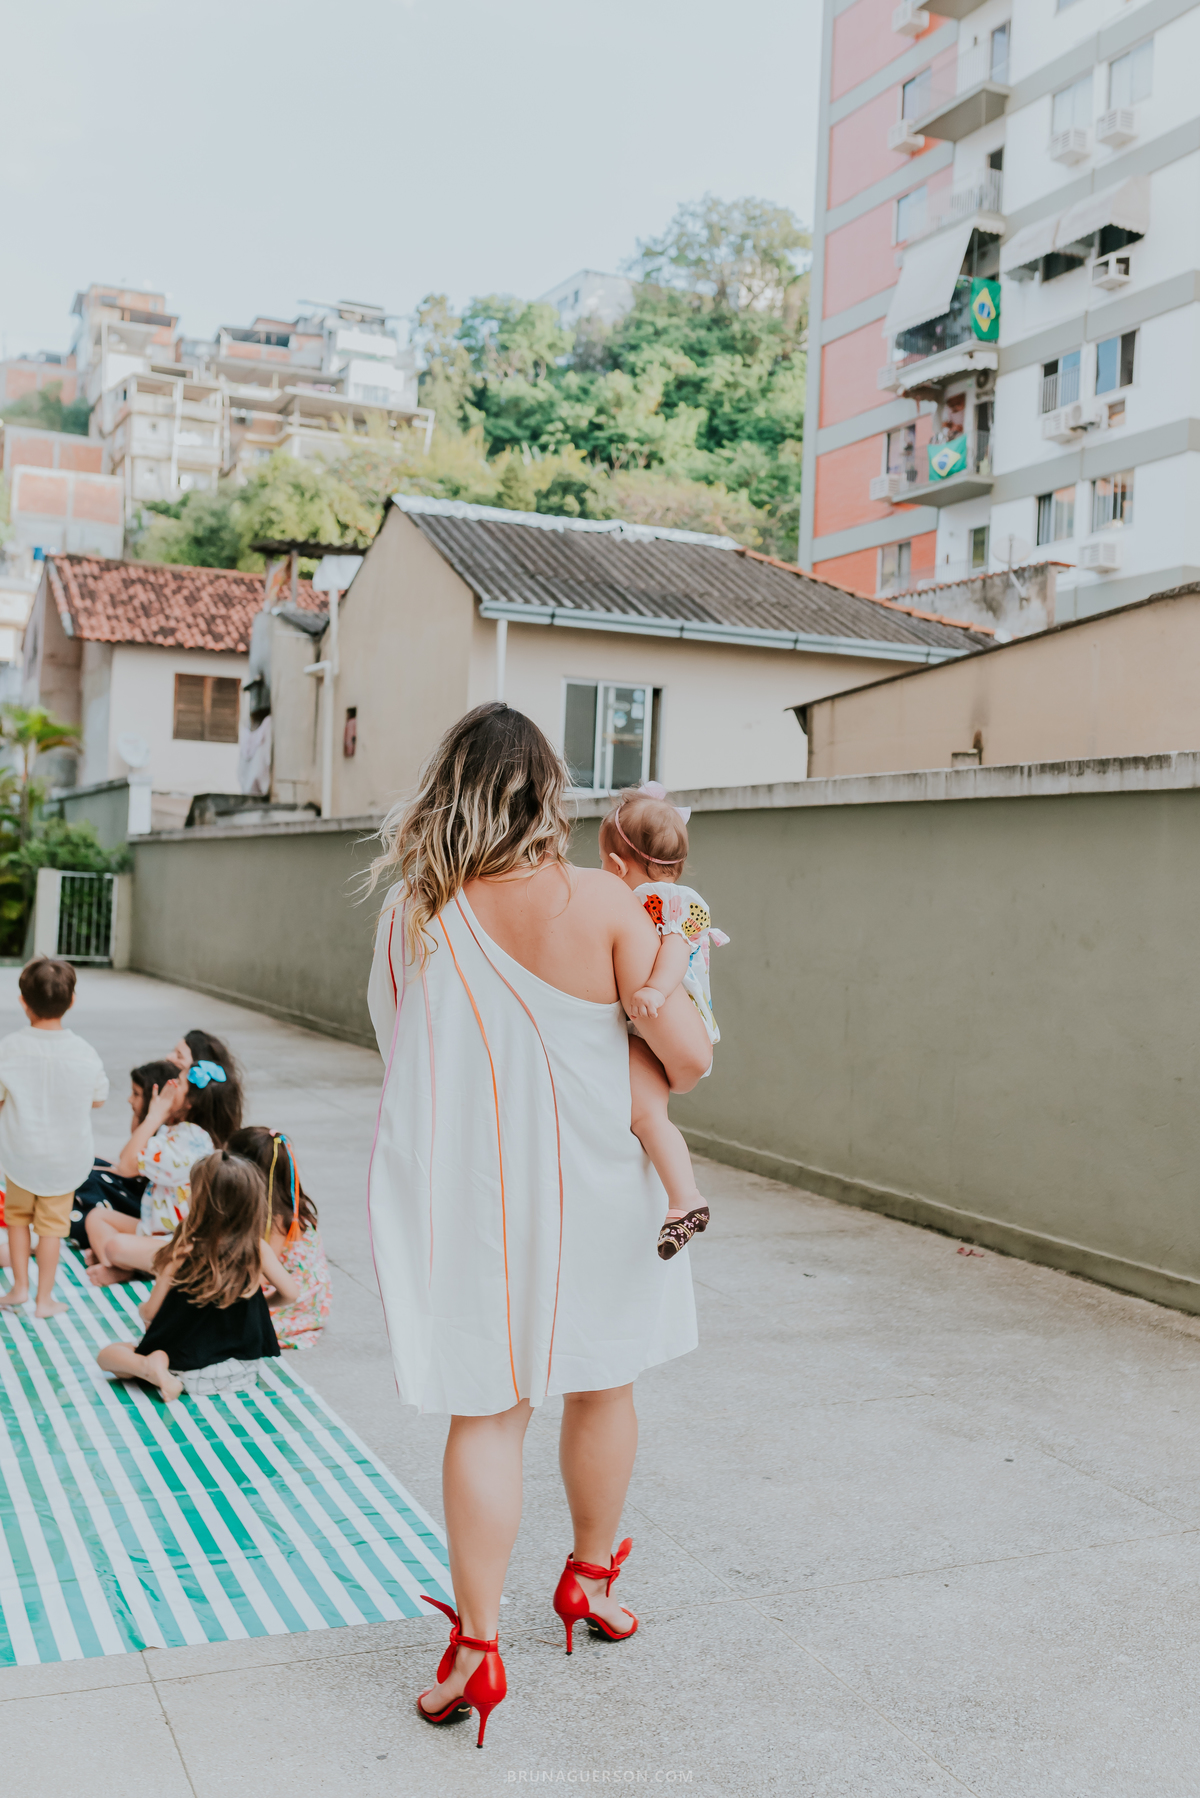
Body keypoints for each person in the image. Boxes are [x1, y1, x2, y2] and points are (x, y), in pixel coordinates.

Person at [366, 703, 711, 1747]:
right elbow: (688, 1060)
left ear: (452, 787)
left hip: (476, 1197)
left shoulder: (413, 912)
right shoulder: (607, 902)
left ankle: (476, 1652)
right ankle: (590, 1583)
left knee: (488, 1411)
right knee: (605, 1381)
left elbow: (399, 1045)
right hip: (600, 1186)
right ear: (549, 795)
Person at [598, 784, 729, 1260]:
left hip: (670, 1016)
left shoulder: (666, 899)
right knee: (648, 1117)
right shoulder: (654, 896)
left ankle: (684, 1196)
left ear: (617, 866)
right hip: (650, 1033)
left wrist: (654, 988)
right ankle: (685, 1200)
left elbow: (675, 946)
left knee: (648, 1114)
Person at [96, 1150, 298, 1402]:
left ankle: (151, 1369)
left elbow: (151, 1313)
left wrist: (142, 1309)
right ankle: (156, 1369)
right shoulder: (257, 1248)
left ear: (201, 1201)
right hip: (242, 1372)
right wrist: (261, 1304)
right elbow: (290, 1294)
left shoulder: (181, 1252)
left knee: (108, 1355)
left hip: (184, 1368)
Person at [0, 956, 109, 1318]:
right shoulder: (84, 1053)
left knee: (17, 1220)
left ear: (23, 1001)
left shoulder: (9, 1048)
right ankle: (44, 1300)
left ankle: (18, 1288)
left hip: (19, 1155)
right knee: (51, 1230)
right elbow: (98, 1098)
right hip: (65, 1160)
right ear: (72, 1001)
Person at [85, 1056, 238, 1282]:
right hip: (155, 1230)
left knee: (116, 1245)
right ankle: (119, 1266)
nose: (170, 1085)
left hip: (178, 1242)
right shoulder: (183, 1131)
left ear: (190, 1102)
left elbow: (126, 1165)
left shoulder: (189, 1142)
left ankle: (124, 1266)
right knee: (97, 1218)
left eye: (178, 1082)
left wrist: (155, 1116)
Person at [226, 1127, 331, 1349]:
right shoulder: (283, 1205)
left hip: (289, 1307)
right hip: (299, 1298)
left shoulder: (273, 1220)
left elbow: (259, 1277)